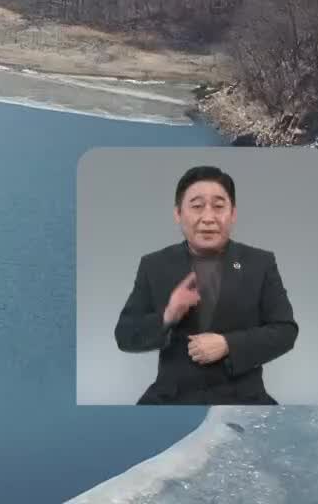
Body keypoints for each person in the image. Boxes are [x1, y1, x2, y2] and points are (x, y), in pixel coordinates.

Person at [114, 165, 298, 404]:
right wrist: (168, 314)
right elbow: (125, 336)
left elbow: (286, 331)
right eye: (197, 206)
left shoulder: (260, 263)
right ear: (178, 214)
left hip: (243, 398)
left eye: (219, 206)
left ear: (233, 214)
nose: (208, 218)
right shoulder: (154, 264)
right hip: (171, 398)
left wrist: (228, 344)